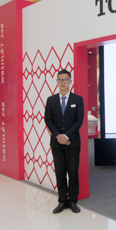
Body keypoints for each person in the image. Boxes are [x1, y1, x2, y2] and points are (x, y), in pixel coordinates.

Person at [45, 70, 85, 214]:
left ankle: (73, 201)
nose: (63, 83)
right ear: (57, 82)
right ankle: (62, 201)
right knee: (60, 173)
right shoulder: (51, 100)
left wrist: (67, 136)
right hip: (56, 144)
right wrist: (58, 136)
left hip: (73, 143)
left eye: (65, 80)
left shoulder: (77, 99)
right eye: (60, 80)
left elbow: (79, 121)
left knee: (73, 173)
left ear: (70, 81)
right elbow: (48, 120)